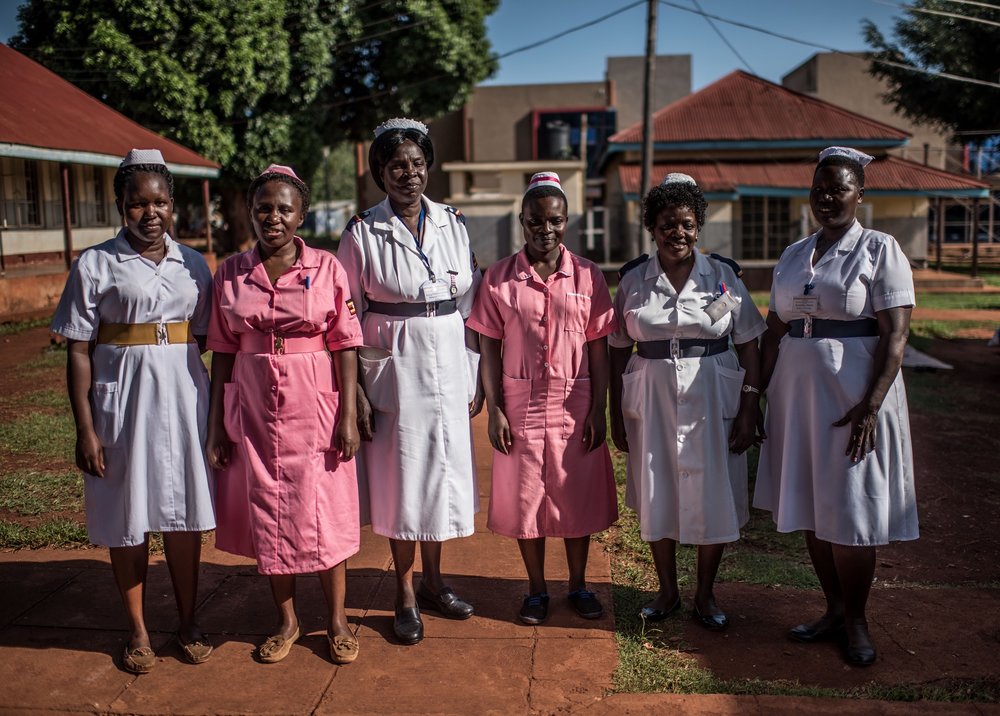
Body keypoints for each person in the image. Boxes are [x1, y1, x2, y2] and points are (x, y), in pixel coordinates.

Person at [51, 149, 215, 674]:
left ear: (174, 205)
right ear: (122, 207)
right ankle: (139, 631)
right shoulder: (96, 264)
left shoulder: (193, 264)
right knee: (127, 515)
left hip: (185, 401)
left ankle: (189, 622)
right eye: (138, 203)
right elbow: (78, 347)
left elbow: (212, 339)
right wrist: (85, 428)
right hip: (120, 406)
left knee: (185, 516)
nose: (151, 213)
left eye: (161, 202)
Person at [753, 146, 917, 667]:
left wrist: (871, 405)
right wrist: (755, 392)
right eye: (819, 189)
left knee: (850, 509)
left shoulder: (880, 248)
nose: (827, 198)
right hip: (797, 397)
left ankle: (858, 621)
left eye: (839, 188)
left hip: (852, 402)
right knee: (813, 507)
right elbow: (777, 326)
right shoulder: (795, 253)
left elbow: (895, 336)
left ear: (859, 195)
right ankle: (832, 609)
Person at [204, 164, 363, 665]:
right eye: (263, 208)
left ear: (301, 215)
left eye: (284, 208)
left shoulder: (327, 267)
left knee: (325, 509)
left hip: (313, 393)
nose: (273, 217)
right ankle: (287, 621)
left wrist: (349, 413)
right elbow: (222, 352)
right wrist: (216, 423)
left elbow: (345, 344)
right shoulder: (230, 272)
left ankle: (336, 620)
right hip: (252, 398)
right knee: (269, 507)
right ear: (252, 212)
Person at [337, 117, 482, 645]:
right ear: (380, 171)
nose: (408, 174)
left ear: (428, 169)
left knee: (441, 472)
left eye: (417, 164)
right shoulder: (362, 231)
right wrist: (353, 386)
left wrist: (473, 370)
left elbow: (471, 300)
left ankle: (435, 583)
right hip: (394, 361)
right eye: (396, 165)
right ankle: (402, 591)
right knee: (404, 477)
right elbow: (344, 314)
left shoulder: (453, 221)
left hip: (447, 353)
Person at [609, 173, 765, 630]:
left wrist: (751, 405)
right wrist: (618, 410)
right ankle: (667, 591)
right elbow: (619, 345)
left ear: (699, 226)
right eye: (666, 225)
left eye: (687, 224)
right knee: (659, 489)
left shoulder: (722, 276)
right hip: (651, 398)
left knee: (712, 490)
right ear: (651, 228)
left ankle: (705, 594)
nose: (677, 233)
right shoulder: (634, 280)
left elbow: (751, 342)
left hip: (713, 392)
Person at [467, 172, 618, 625]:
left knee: (575, 496)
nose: (544, 229)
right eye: (536, 220)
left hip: (575, 401)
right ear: (522, 221)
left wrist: (599, 408)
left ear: (566, 221)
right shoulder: (498, 279)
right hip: (521, 402)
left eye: (554, 220)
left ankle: (577, 584)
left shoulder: (589, 276)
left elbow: (598, 346)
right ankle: (535, 590)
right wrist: (494, 410)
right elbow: (489, 347)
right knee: (526, 498)